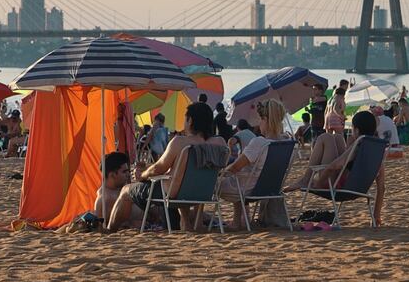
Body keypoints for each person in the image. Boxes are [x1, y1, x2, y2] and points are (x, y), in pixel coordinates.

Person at [107, 102, 227, 232]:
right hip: (204, 193)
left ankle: (110, 229)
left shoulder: (180, 142)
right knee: (183, 177)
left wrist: (141, 175)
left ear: (190, 120)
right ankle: (187, 223)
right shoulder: (220, 143)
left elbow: (158, 169)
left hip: (174, 194)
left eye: (185, 119)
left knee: (125, 190)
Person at [219, 99, 292, 230]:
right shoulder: (287, 142)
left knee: (217, 183)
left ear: (265, 119)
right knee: (241, 176)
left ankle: (196, 222)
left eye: (260, 120)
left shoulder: (260, 143)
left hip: (247, 190)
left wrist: (220, 173)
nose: (259, 124)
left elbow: (235, 167)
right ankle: (238, 221)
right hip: (269, 189)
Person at [304, 111, 386, 226]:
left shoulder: (358, 145)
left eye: (352, 128)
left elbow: (335, 166)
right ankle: (307, 180)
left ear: (356, 130)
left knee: (326, 137)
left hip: (338, 187)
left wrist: (319, 184)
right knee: (337, 137)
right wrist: (376, 215)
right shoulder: (377, 150)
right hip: (359, 189)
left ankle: (305, 179)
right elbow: (381, 188)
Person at [94, 152, 132, 222]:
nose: (128, 174)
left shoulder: (119, 188)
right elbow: (101, 226)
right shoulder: (104, 199)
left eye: (128, 171)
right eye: (124, 172)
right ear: (112, 175)